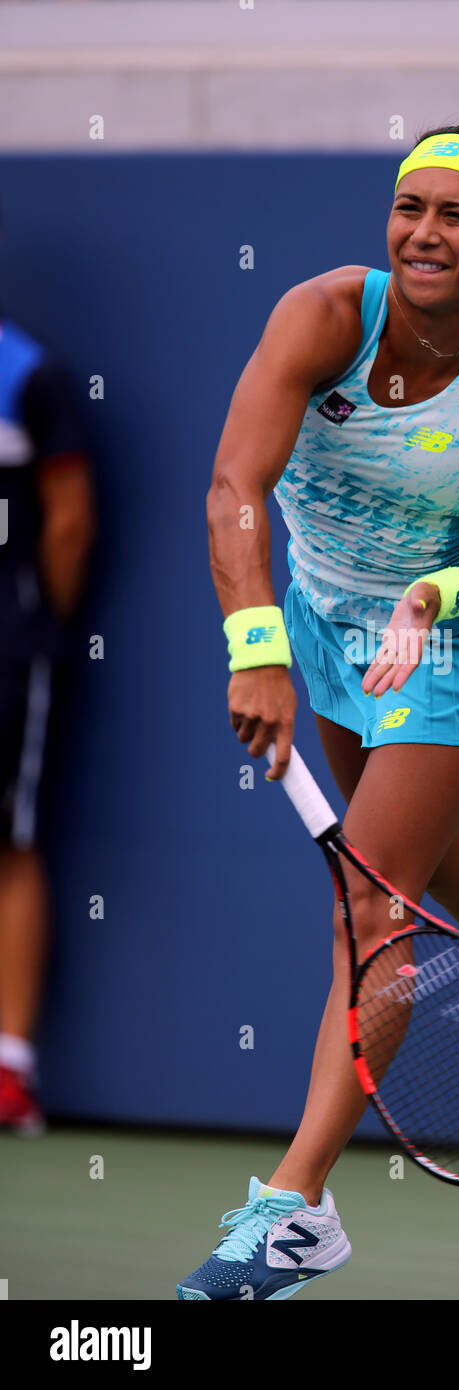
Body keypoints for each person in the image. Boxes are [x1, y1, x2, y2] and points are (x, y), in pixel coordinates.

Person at [177, 125, 459, 1301]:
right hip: (327, 629)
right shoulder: (323, 317)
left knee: (369, 905)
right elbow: (235, 487)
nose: (423, 232)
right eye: (408, 206)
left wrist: (438, 592)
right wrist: (260, 646)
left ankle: (296, 1209)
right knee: (428, 869)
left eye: (456, 217)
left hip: (449, 640)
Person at [0, 203, 96, 1134]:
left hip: (8, 649)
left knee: (10, 841)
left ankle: (9, 1068)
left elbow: (69, 520)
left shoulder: (28, 375)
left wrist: (31, 623)